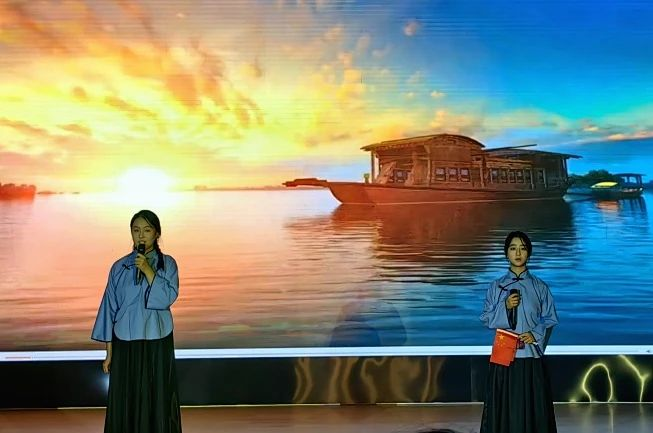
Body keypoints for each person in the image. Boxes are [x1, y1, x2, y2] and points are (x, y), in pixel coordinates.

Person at [91, 209, 182, 433]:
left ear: (157, 233)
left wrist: (149, 271)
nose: (141, 235)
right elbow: (109, 309)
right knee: (127, 397)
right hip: (125, 342)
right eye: (136, 230)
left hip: (157, 341)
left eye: (147, 230)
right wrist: (109, 353)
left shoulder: (168, 264)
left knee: (157, 396)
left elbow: (167, 298)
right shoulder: (119, 267)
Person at [479, 231, 558, 433]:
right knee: (503, 409)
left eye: (522, 248)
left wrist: (535, 334)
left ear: (529, 253)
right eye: (513, 248)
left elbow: (550, 319)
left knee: (533, 408)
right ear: (506, 253)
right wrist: (505, 306)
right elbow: (486, 318)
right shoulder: (496, 286)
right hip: (503, 354)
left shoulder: (540, 287)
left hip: (530, 355)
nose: (518, 253)